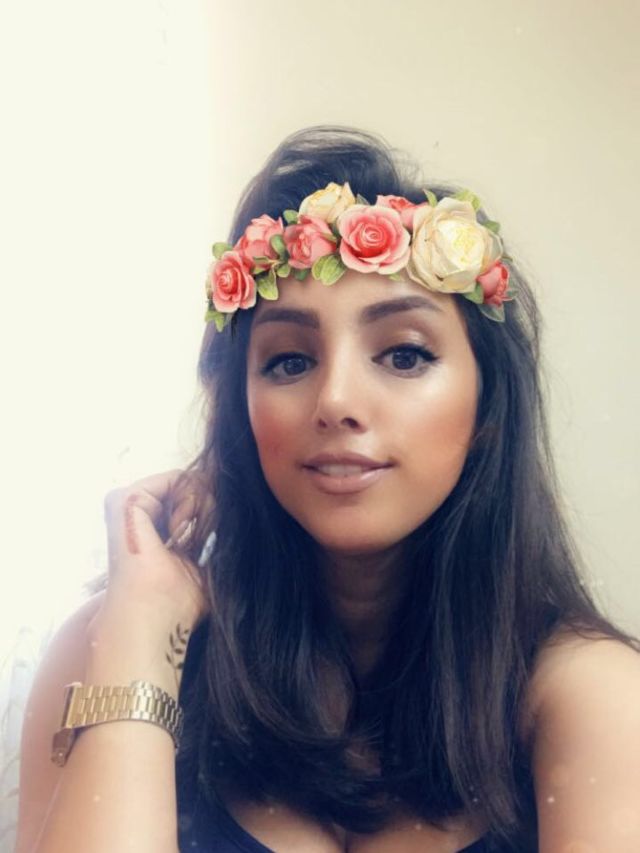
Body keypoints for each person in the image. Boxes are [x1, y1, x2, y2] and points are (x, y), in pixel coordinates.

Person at [16, 125, 640, 853]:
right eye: (288, 361)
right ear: (241, 412)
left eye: (403, 354)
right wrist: (140, 635)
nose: (336, 399)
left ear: (488, 411)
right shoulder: (109, 644)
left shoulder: (593, 696)